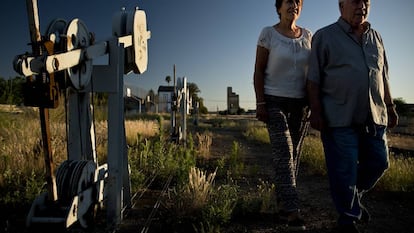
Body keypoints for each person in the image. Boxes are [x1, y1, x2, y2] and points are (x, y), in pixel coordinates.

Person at [306, 0, 399, 232]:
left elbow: (383, 76)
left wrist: (390, 105)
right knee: (344, 169)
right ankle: (347, 220)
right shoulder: (324, 36)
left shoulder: (376, 37)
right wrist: (315, 111)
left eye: (366, 2)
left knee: (380, 162)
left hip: (374, 116)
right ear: (341, 5)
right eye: (356, 1)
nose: (362, 6)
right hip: (339, 117)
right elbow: (313, 79)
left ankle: (353, 197)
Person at [253, 0, 311, 230]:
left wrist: (314, 104)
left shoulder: (308, 35)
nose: (294, 5)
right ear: (279, 7)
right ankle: (293, 211)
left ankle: (281, 206)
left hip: (301, 104)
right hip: (274, 100)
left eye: (298, 2)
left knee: (293, 155)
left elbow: (313, 72)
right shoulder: (268, 34)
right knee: (285, 151)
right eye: (288, 1)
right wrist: (260, 102)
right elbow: (258, 70)